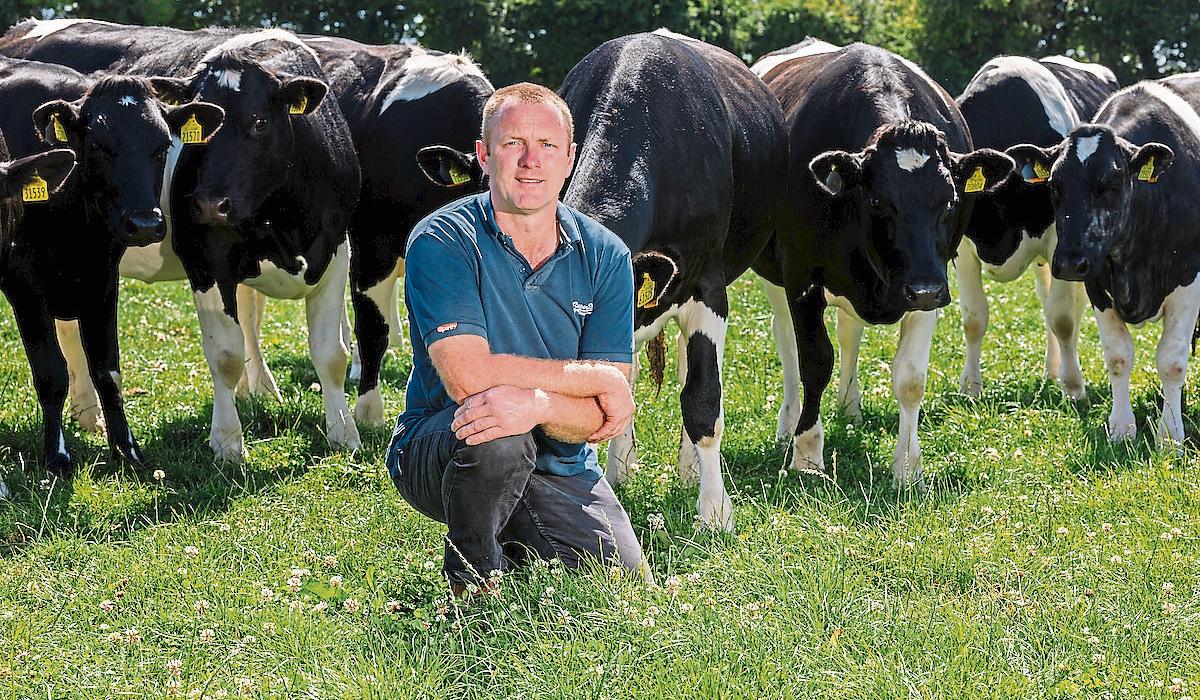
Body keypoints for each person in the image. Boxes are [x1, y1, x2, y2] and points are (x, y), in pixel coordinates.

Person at [385, 82, 646, 593]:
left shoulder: (607, 255)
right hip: (444, 440)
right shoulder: (444, 240)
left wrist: (541, 404)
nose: (531, 161)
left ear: (570, 158)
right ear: (483, 156)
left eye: (547, 146)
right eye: (512, 144)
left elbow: (602, 416)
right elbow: (470, 379)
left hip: (563, 462)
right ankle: (472, 590)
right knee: (499, 429)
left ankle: (519, 533)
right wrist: (591, 380)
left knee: (621, 584)